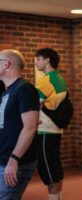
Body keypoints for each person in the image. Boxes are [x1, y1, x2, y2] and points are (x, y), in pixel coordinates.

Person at [0, 49, 40, 200]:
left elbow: (30, 127)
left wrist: (14, 159)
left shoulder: (24, 88)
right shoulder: (7, 92)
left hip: (16, 161)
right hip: (4, 158)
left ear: (6, 64)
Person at [35, 48, 68, 200]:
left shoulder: (46, 80)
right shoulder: (59, 78)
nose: (36, 62)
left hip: (45, 130)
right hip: (54, 129)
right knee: (55, 168)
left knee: (48, 170)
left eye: (38, 59)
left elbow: (32, 104)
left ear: (47, 60)